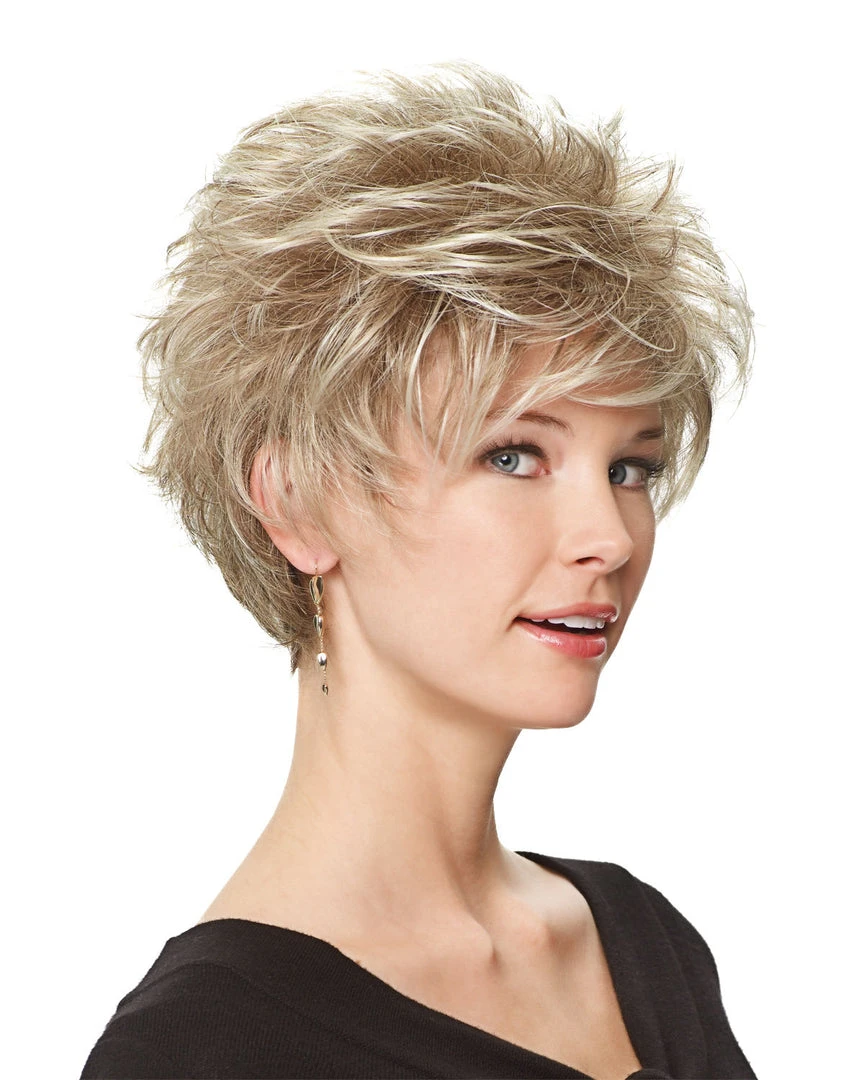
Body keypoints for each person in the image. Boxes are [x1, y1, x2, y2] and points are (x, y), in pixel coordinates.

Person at [80, 63, 756, 1080]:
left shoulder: (642, 943)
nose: (610, 538)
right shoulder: (200, 1054)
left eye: (631, 469)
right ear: (298, 502)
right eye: (514, 455)